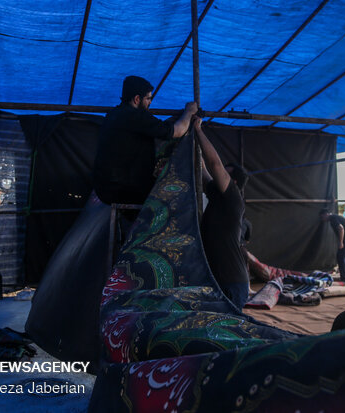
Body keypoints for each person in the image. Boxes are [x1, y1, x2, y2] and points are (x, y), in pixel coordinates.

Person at [93, 75, 198, 205]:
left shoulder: (113, 114)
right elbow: (177, 131)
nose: (150, 103)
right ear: (137, 99)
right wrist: (189, 112)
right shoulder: (136, 115)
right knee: (178, 196)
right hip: (125, 190)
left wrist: (172, 121)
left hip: (105, 188)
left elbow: (152, 129)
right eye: (148, 98)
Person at [194, 117, 250, 309]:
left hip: (232, 282)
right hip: (219, 281)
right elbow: (203, 170)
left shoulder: (233, 198)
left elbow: (214, 165)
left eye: (225, 174)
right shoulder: (218, 196)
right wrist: (191, 141)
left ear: (233, 182)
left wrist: (198, 130)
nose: (219, 176)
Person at [320, 208, 345, 284]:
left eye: (322, 217)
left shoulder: (332, 218)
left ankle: (344, 278)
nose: (322, 219)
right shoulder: (335, 217)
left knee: (340, 256)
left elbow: (341, 228)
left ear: (326, 214)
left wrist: (341, 242)